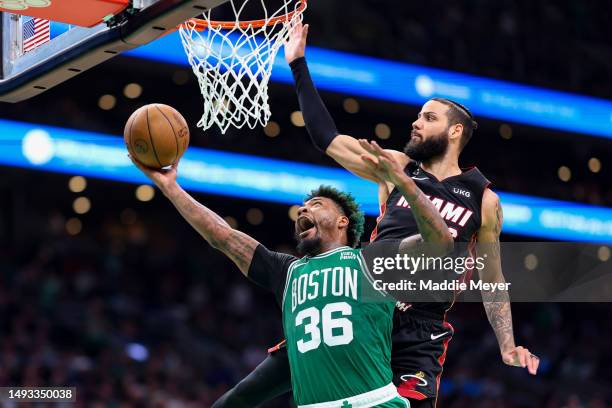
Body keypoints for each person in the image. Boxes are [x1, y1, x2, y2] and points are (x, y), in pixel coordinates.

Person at [214, 22, 540, 408]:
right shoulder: (396, 165)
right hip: (361, 303)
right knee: (240, 397)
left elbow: (492, 277)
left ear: (455, 132)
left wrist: (507, 344)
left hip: (419, 324)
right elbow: (327, 139)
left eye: (428, 118)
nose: (416, 123)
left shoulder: (483, 199)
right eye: (418, 116)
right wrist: (298, 64)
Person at [130, 154, 450, 407]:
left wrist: (403, 183)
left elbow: (441, 242)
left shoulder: (371, 261)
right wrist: (171, 187)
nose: (303, 211)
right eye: (302, 207)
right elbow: (222, 236)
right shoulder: (288, 271)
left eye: (316, 206)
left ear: (342, 221)